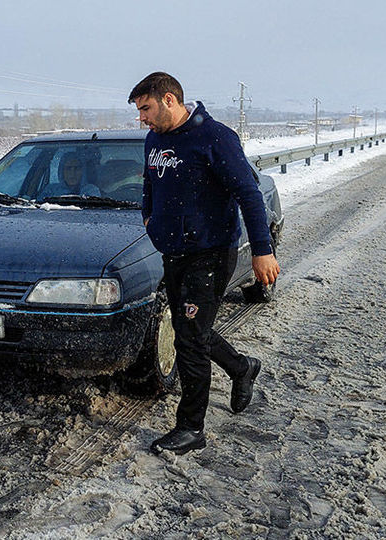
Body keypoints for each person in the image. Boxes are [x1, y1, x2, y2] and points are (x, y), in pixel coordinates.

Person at [128, 72, 281, 455]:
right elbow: (150, 184)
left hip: (210, 253)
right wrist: (149, 218)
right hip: (174, 251)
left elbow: (249, 194)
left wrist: (262, 250)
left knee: (190, 340)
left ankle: (191, 428)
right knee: (190, 327)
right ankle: (242, 367)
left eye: (145, 108)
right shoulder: (154, 139)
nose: (142, 118)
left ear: (169, 100)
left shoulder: (215, 138)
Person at [37, 152, 101, 200]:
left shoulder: (91, 191)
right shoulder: (51, 190)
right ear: (62, 171)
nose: (72, 173)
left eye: (76, 168)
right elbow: (38, 206)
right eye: (68, 168)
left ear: (83, 171)